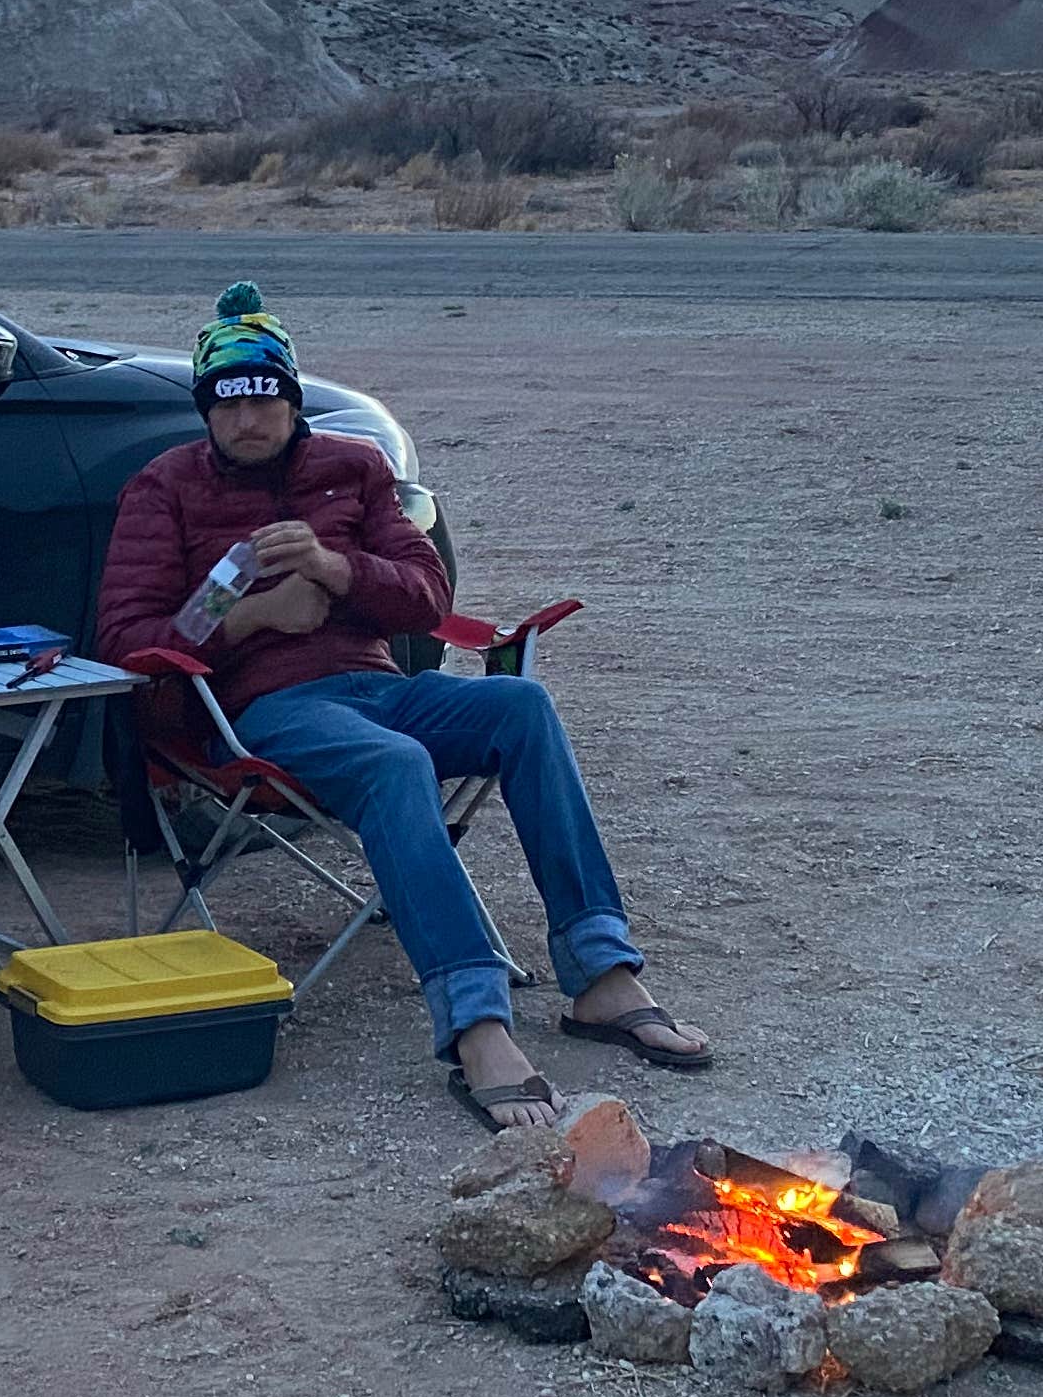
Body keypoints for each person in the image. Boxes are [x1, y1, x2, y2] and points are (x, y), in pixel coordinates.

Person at [96, 280, 711, 1129]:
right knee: (395, 764)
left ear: (291, 395)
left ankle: (602, 973)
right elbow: (129, 636)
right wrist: (250, 617)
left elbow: (425, 596)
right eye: (228, 403)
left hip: (380, 685)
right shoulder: (164, 489)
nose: (248, 419)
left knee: (519, 706)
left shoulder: (354, 469)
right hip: (263, 712)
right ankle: (476, 1020)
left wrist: (334, 567)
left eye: (265, 396)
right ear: (205, 410)